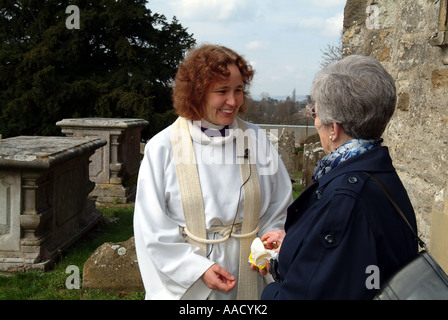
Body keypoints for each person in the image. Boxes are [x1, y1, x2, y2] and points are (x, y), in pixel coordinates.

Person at [133, 44, 292, 300]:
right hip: (193, 278)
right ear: (197, 93)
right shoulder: (163, 148)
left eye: (238, 90)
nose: (233, 101)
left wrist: (270, 242)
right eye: (222, 91)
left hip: (251, 270)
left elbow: (279, 205)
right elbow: (151, 226)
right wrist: (197, 269)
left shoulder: (256, 139)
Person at [261, 55, 419, 300]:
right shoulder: (377, 171)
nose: (314, 121)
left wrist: (269, 290)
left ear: (333, 129)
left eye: (315, 113)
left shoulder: (345, 199)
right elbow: (347, 260)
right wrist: (296, 244)